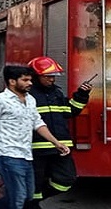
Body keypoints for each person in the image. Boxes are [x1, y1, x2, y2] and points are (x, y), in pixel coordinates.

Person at [0, 66, 71, 209]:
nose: (30, 83)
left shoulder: (30, 100)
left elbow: (38, 123)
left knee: (28, 196)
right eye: (25, 80)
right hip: (6, 155)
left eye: (30, 79)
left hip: (26, 155)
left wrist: (56, 143)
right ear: (12, 81)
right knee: (18, 199)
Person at [26, 56, 92, 209]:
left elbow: (70, 111)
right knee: (35, 184)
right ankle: (31, 205)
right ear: (36, 76)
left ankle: (32, 202)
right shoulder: (28, 96)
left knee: (66, 179)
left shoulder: (56, 93)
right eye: (48, 76)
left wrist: (82, 94)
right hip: (37, 149)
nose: (52, 80)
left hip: (60, 147)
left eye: (54, 77)